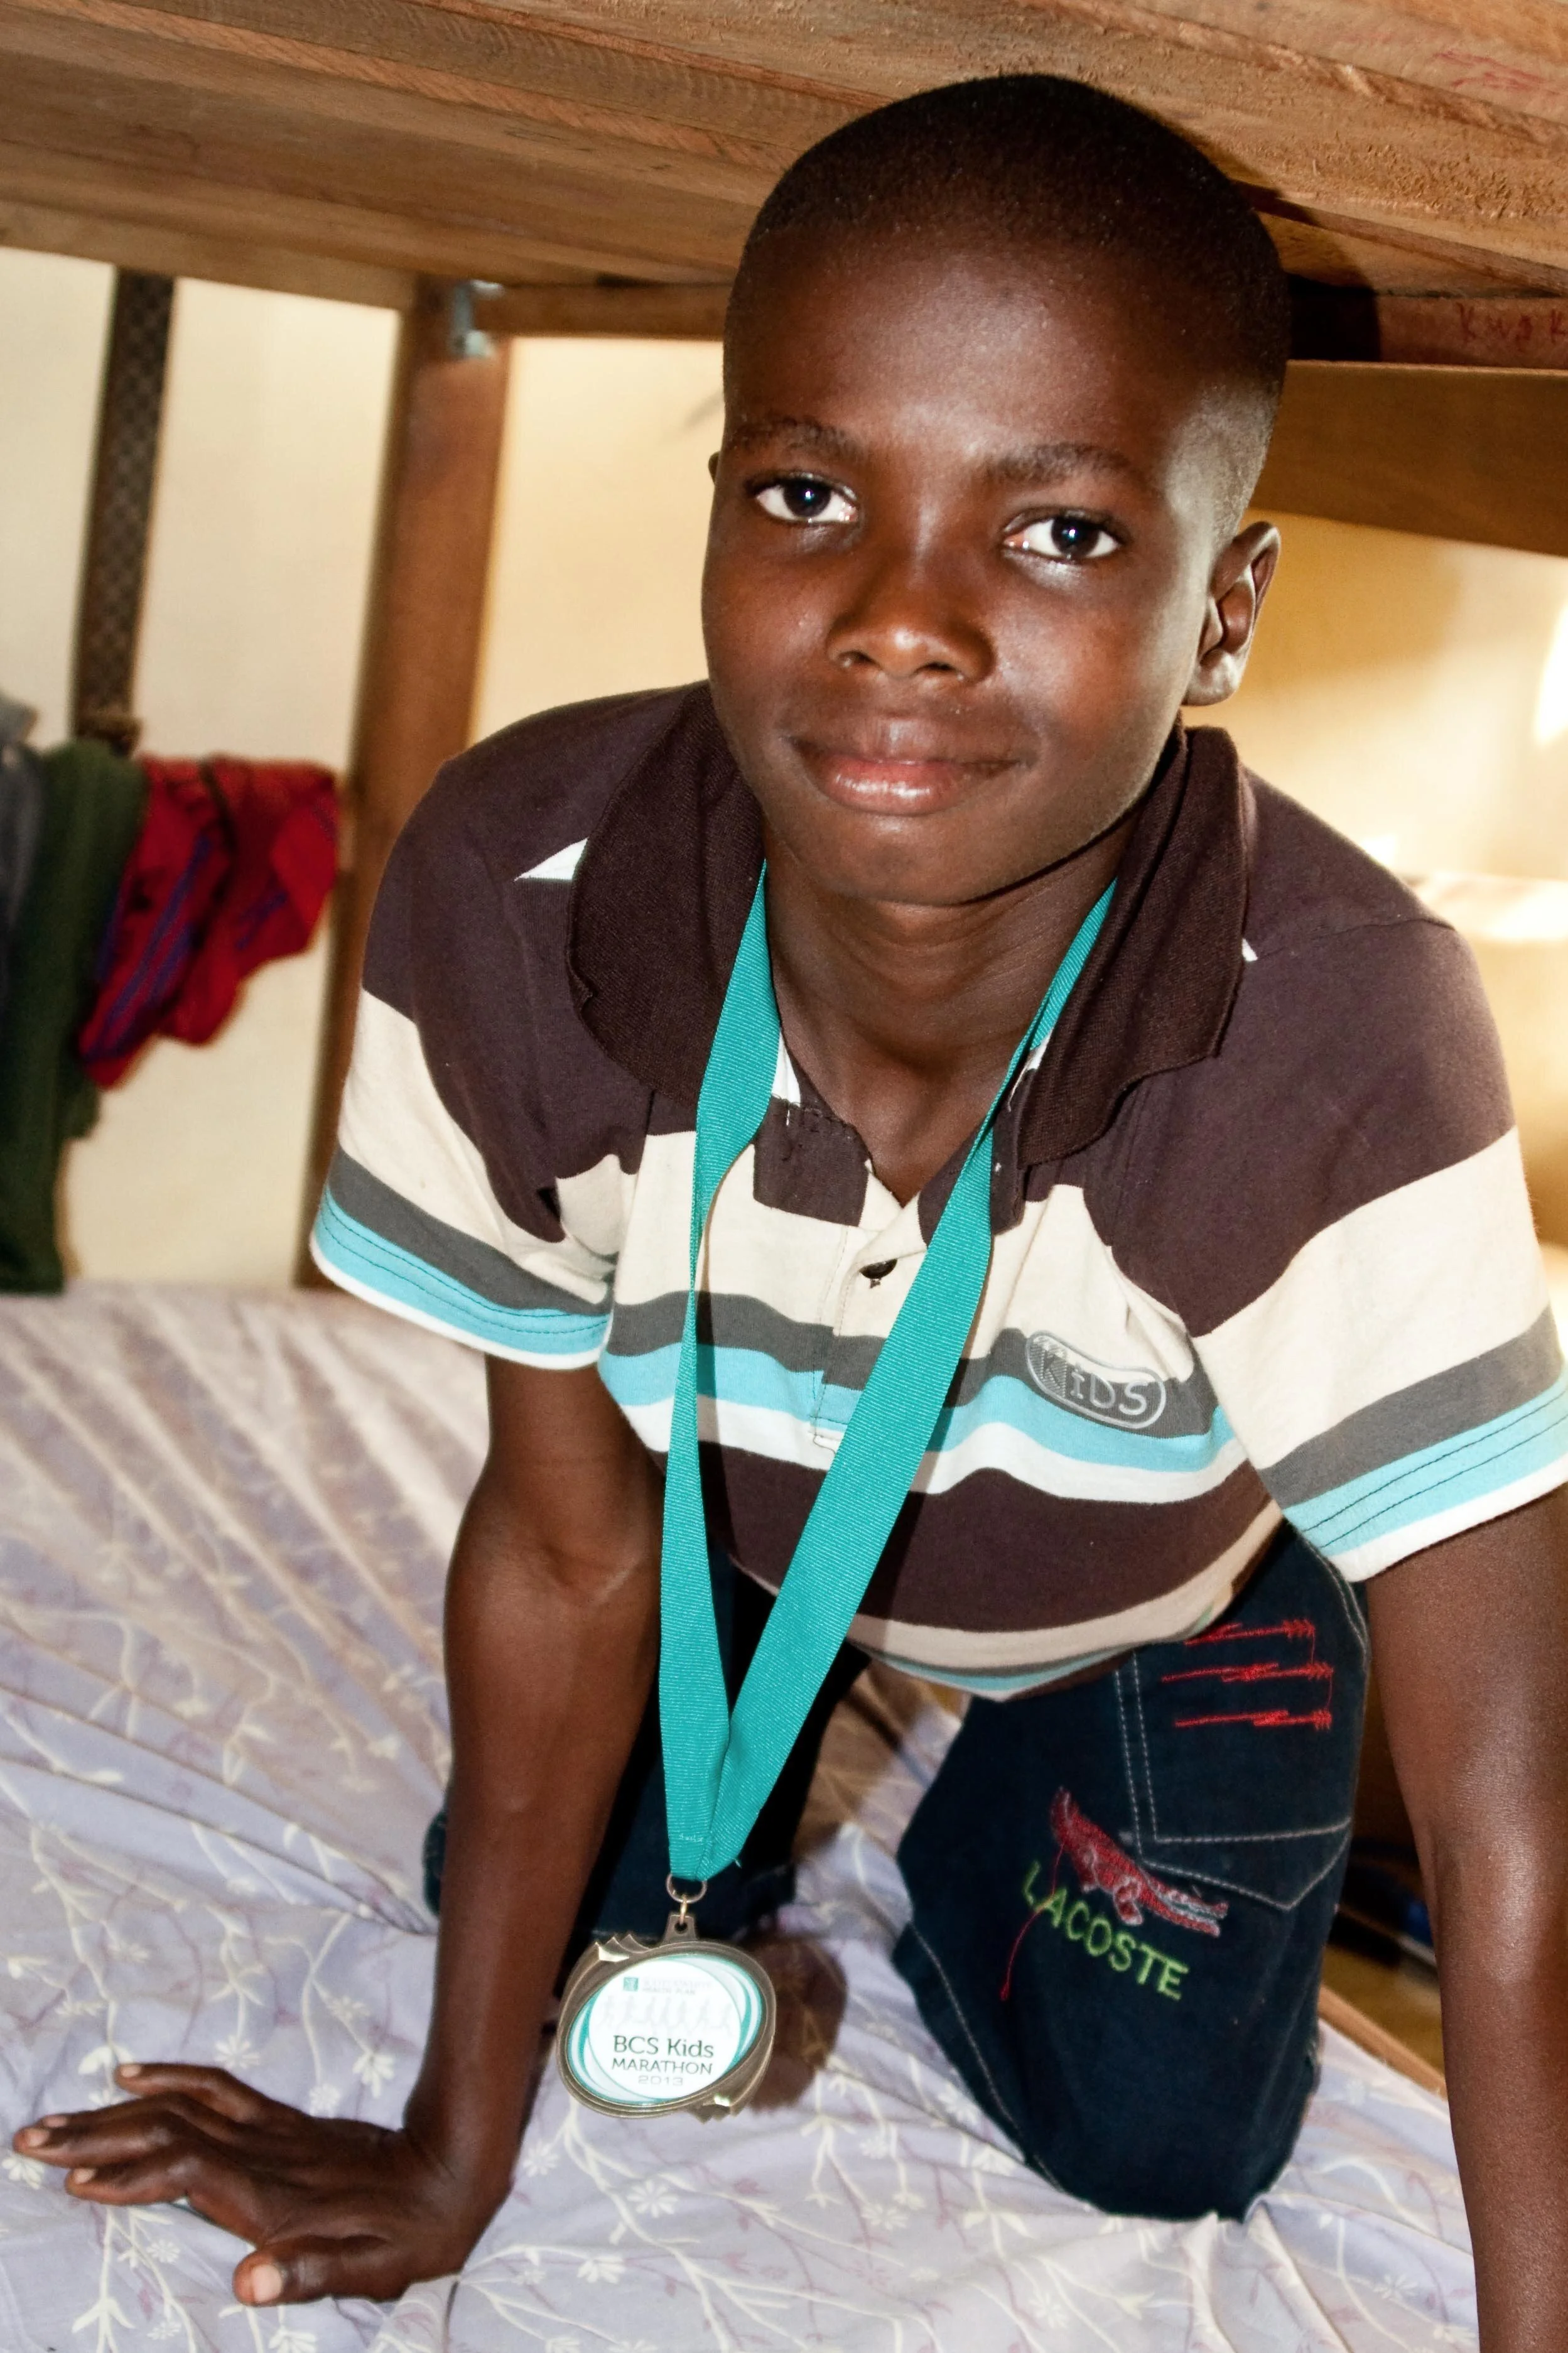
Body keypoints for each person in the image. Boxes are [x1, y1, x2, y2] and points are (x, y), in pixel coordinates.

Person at [17, 74, 1568, 2347]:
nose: (902, 621)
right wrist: (455, 2159)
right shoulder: (515, 887)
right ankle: (804, 1795)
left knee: (1164, 2138)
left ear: (1225, 611)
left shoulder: (1336, 1036)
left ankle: (995, 1796)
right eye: (811, 492)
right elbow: (564, 1538)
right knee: (525, 1918)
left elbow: (1520, 1822)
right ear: (722, 505)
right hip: (723, 1565)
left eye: (1056, 534)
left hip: (1144, 1600)